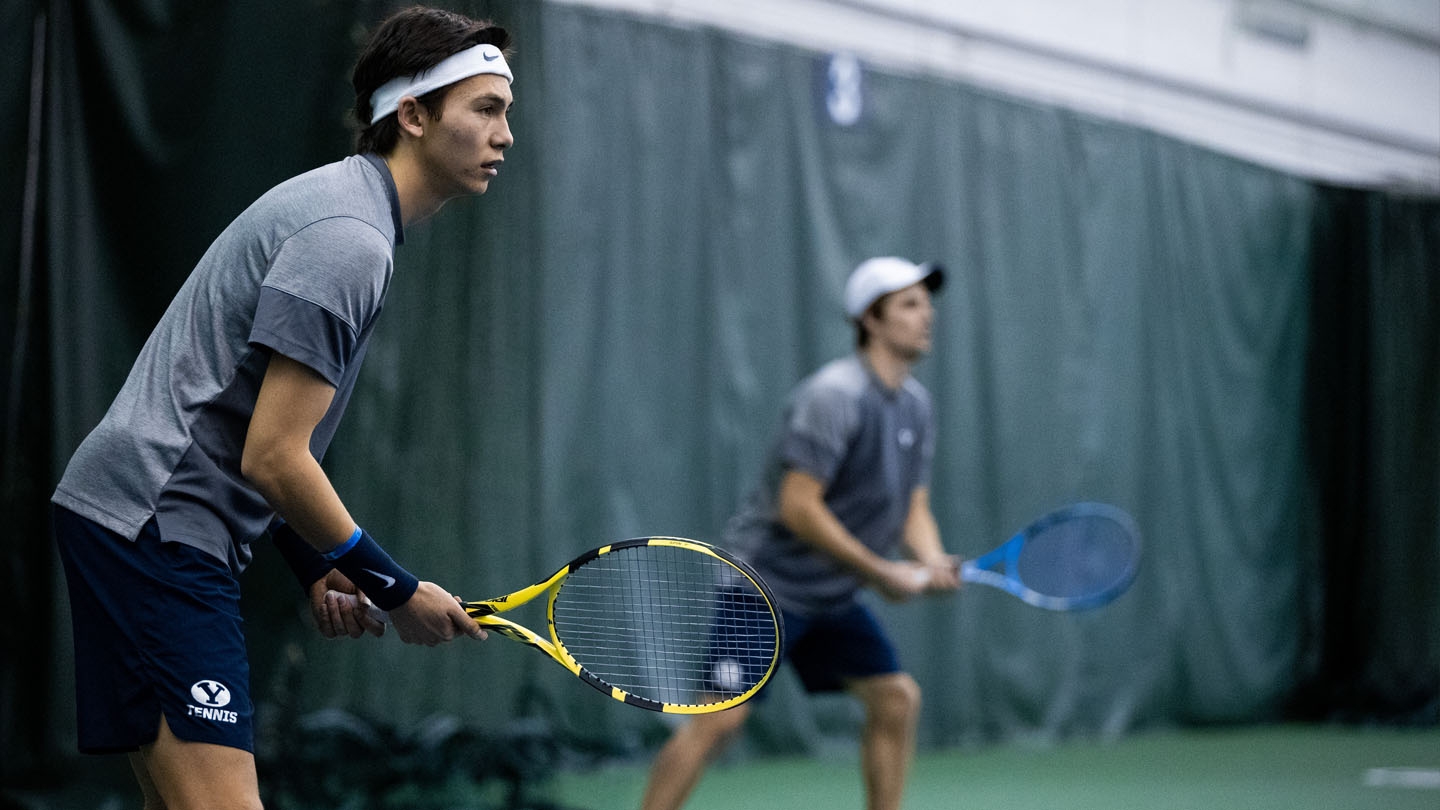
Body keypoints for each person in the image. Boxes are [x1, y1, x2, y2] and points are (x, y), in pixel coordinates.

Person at [49, 6, 516, 808]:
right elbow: (273, 454)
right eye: (486, 109)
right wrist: (397, 590)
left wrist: (315, 561)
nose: (505, 134)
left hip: (140, 519)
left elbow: (252, 433)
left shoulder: (350, 213)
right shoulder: (349, 238)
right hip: (156, 526)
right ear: (412, 114)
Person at [640, 257, 962, 810]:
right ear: (871, 320)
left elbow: (913, 508)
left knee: (896, 698)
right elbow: (798, 508)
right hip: (765, 586)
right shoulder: (834, 396)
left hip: (832, 593)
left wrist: (930, 559)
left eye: (926, 302)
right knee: (719, 722)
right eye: (909, 304)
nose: (926, 315)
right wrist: (882, 572)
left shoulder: (916, 407)